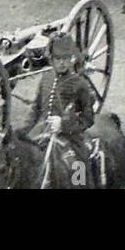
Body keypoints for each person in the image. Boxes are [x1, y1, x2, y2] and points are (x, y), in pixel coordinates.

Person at [26, 32, 99, 185]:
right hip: (43, 134)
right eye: (58, 59)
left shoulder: (80, 84)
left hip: (71, 138)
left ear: (71, 58)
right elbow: (35, 108)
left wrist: (63, 125)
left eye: (66, 58)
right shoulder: (46, 78)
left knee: (78, 171)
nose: (62, 63)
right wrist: (22, 131)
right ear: (51, 59)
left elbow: (88, 119)